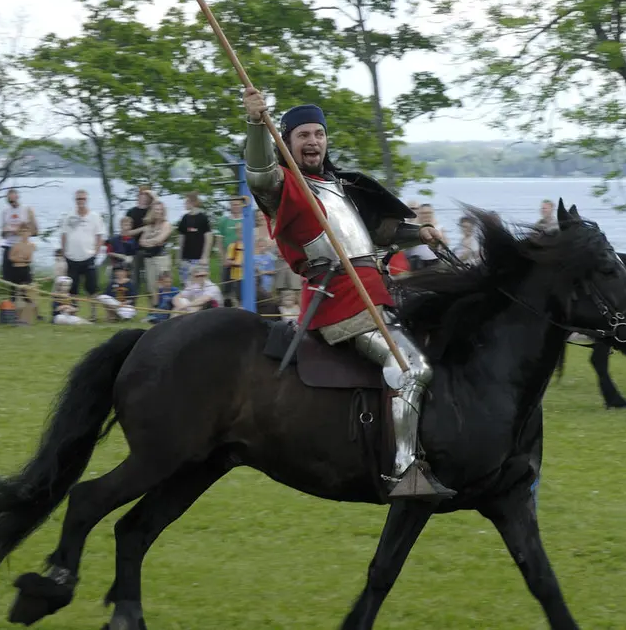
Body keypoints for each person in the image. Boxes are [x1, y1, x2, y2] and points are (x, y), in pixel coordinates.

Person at [242, 86, 454, 500]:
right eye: (302, 135)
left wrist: (419, 233)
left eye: (318, 134)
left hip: (376, 288)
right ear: (287, 142)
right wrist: (254, 124)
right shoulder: (287, 187)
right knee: (411, 369)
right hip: (339, 299)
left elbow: (378, 232)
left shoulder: (339, 185)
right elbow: (260, 174)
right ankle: (405, 472)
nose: (313, 142)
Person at [59, 189, 106, 321]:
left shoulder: (95, 217)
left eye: (83, 199)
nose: (81, 201)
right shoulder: (69, 216)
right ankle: (73, 312)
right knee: (72, 287)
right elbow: (64, 234)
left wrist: (96, 252)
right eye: (78, 199)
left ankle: (93, 314)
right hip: (72, 257)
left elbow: (99, 235)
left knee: (92, 287)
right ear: (75, 201)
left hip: (88, 257)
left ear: (86, 200)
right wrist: (64, 252)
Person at [0, 189, 38, 298]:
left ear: (18, 197)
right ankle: (12, 305)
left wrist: (22, 229)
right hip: (9, 245)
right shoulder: (4, 212)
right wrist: (7, 231)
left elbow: (35, 232)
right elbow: (2, 234)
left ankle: (28, 306)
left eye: (14, 200)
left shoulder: (27, 210)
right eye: (10, 201)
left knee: (25, 280)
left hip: (22, 246)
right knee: (9, 280)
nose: (13, 203)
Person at [139, 200, 172, 303]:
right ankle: (154, 310)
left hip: (161, 258)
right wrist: (153, 241)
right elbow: (141, 241)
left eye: (161, 209)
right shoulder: (149, 226)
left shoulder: (166, 224)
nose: (158, 212)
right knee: (151, 286)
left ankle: (166, 309)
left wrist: (150, 241)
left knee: (164, 285)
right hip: (149, 258)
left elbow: (160, 240)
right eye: (156, 209)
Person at [177, 192, 213, 285]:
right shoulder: (185, 218)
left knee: (200, 285)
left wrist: (205, 256)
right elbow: (181, 237)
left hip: (199, 260)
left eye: (186, 201)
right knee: (186, 285)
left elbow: (209, 237)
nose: (185, 204)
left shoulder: (203, 217)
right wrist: (179, 257)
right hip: (186, 259)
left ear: (192, 202)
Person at [126, 187, 155, 296]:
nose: (144, 198)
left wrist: (152, 194)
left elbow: (158, 203)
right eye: (142, 195)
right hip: (136, 249)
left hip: (151, 248)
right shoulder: (131, 212)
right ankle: (134, 295)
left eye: (146, 196)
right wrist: (142, 229)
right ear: (138, 197)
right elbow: (126, 232)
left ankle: (151, 295)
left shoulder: (152, 212)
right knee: (135, 275)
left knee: (150, 277)